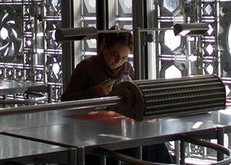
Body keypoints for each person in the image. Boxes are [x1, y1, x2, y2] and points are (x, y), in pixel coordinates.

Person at [62, 27, 173, 164]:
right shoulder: (86, 67)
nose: (118, 62)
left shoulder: (126, 68)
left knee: (155, 144)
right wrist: (92, 93)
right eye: (115, 55)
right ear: (104, 47)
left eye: (124, 58)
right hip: (93, 128)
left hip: (120, 125)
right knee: (136, 149)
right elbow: (66, 101)